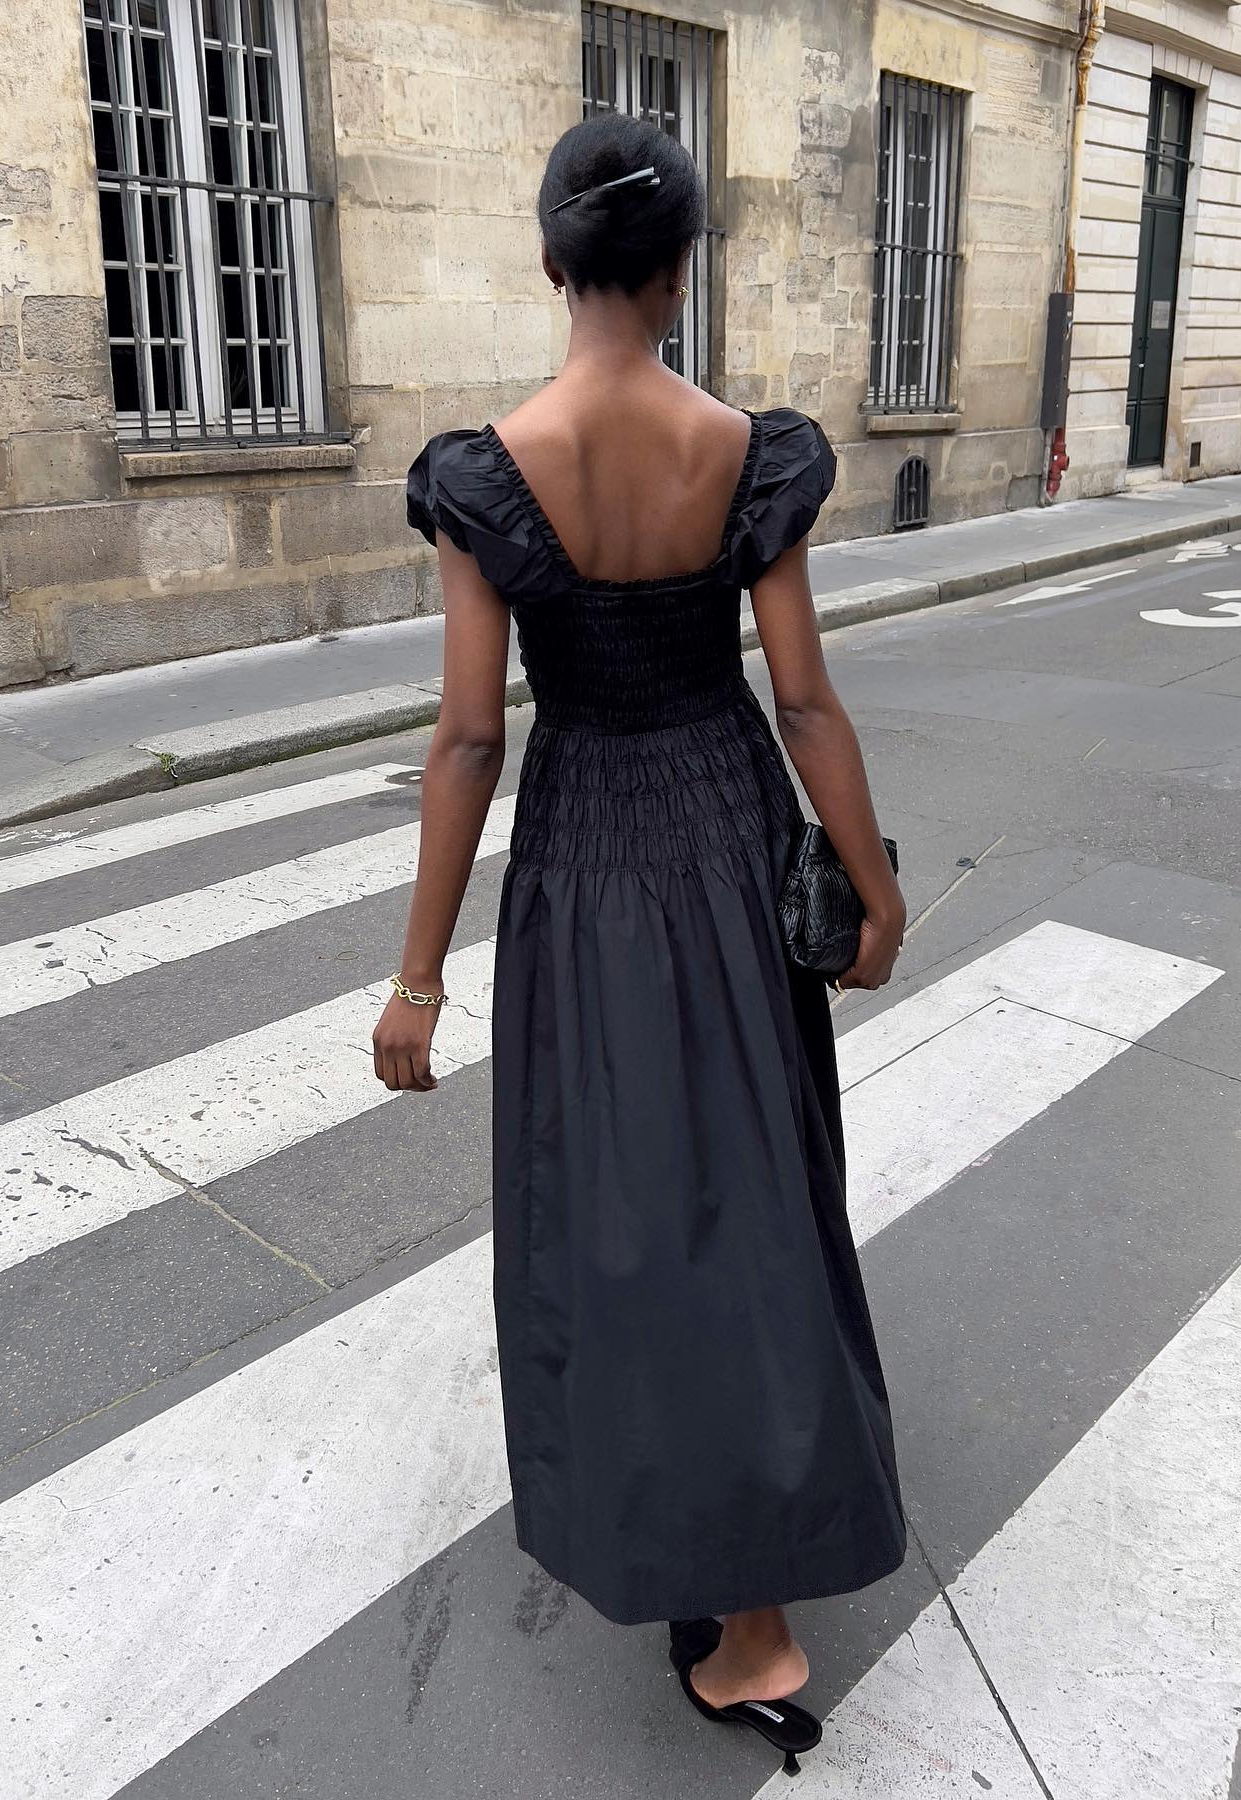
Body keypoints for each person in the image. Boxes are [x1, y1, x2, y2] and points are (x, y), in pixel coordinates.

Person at [372, 111, 907, 1777]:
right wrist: (872, 886)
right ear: (681, 271)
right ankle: (755, 1616)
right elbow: (803, 692)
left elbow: (469, 739)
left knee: (615, 1203)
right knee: (753, 1188)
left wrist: (415, 976)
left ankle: (688, 1558)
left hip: (590, 849)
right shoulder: (749, 452)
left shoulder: (487, 472)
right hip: (730, 826)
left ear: (554, 262)